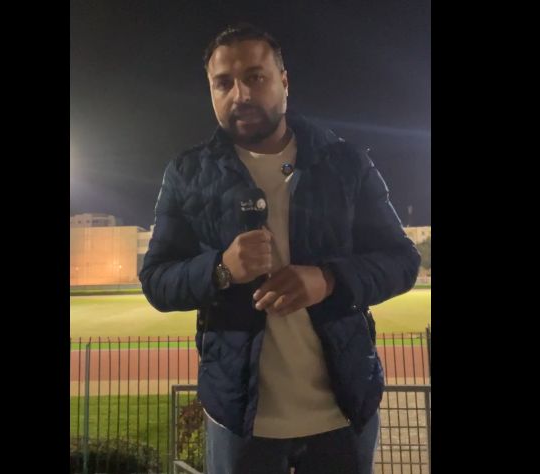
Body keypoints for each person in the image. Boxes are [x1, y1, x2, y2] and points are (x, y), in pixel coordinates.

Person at [139, 23, 420, 474]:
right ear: (211, 91)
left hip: (342, 413)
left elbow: (402, 261)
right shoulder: (187, 173)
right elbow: (156, 280)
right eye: (223, 83)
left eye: (255, 77)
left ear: (284, 82)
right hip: (239, 420)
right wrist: (220, 268)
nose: (240, 94)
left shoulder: (344, 162)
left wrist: (329, 280)